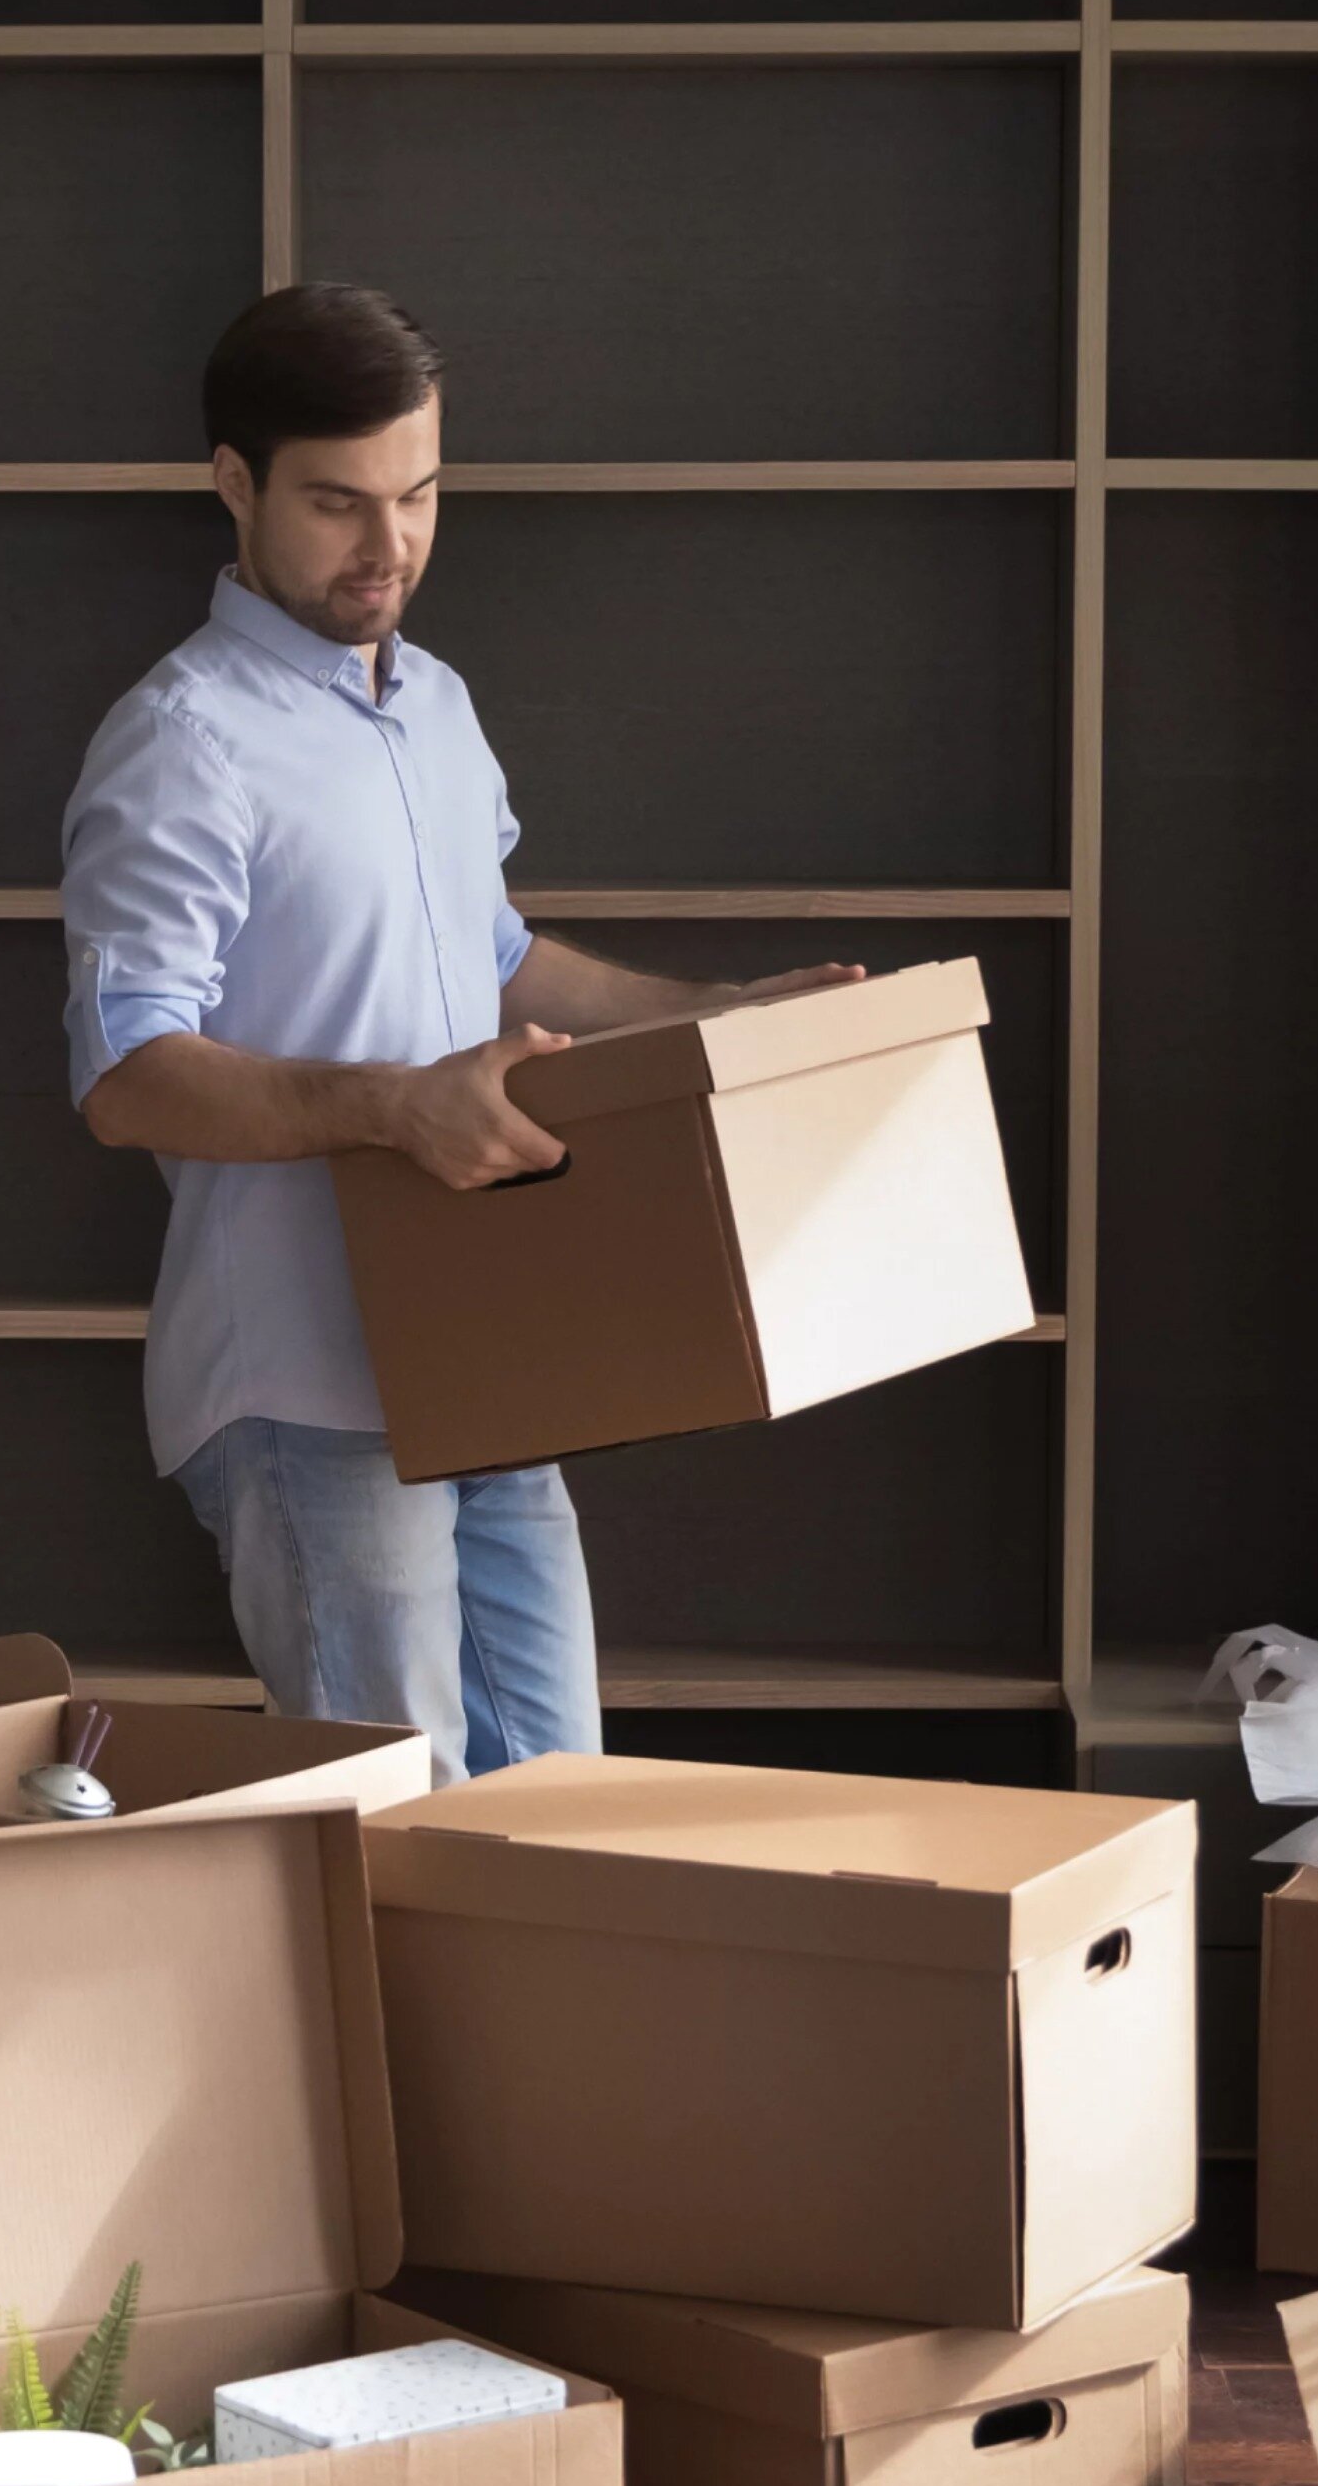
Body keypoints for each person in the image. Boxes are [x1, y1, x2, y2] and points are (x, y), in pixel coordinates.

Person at [61, 283, 852, 1783]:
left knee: (560, 1795)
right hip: (305, 1384)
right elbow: (125, 1072)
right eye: (338, 503)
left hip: (488, 1347)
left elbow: (491, 958)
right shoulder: (182, 741)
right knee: (398, 1829)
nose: (390, 545)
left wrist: (718, 1019)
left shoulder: (432, 704)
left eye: (419, 493)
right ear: (235, 484)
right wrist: (393, 1108)